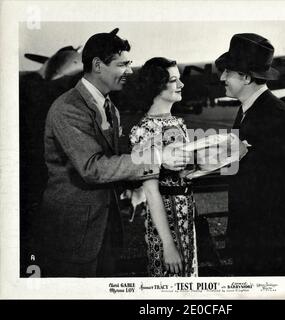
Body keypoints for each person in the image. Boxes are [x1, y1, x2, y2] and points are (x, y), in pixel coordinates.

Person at [36, 32, 189, 277]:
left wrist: (133, 189)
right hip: (74, 235)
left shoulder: (110, 108)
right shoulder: (68, 109)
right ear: (98, 65)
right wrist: (158, 157)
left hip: (106, 229)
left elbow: (115, 161)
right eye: (122, 64)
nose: (129, 71)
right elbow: (93, 168)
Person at [215, 33, 285, 276]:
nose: (222, 77)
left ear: (246, 77)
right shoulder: (249, 110)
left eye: (228, 71)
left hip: (269, 242)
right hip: (250, 236)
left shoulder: (276, 116)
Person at [129, 57, 197, 277]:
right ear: (157, 87)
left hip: (187, 215)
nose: (182, 85)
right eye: (174, 80)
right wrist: (168, 246)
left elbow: (184, 174)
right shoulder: (144, 129)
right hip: (163, 222)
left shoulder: (177, 122)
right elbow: (150, 191)